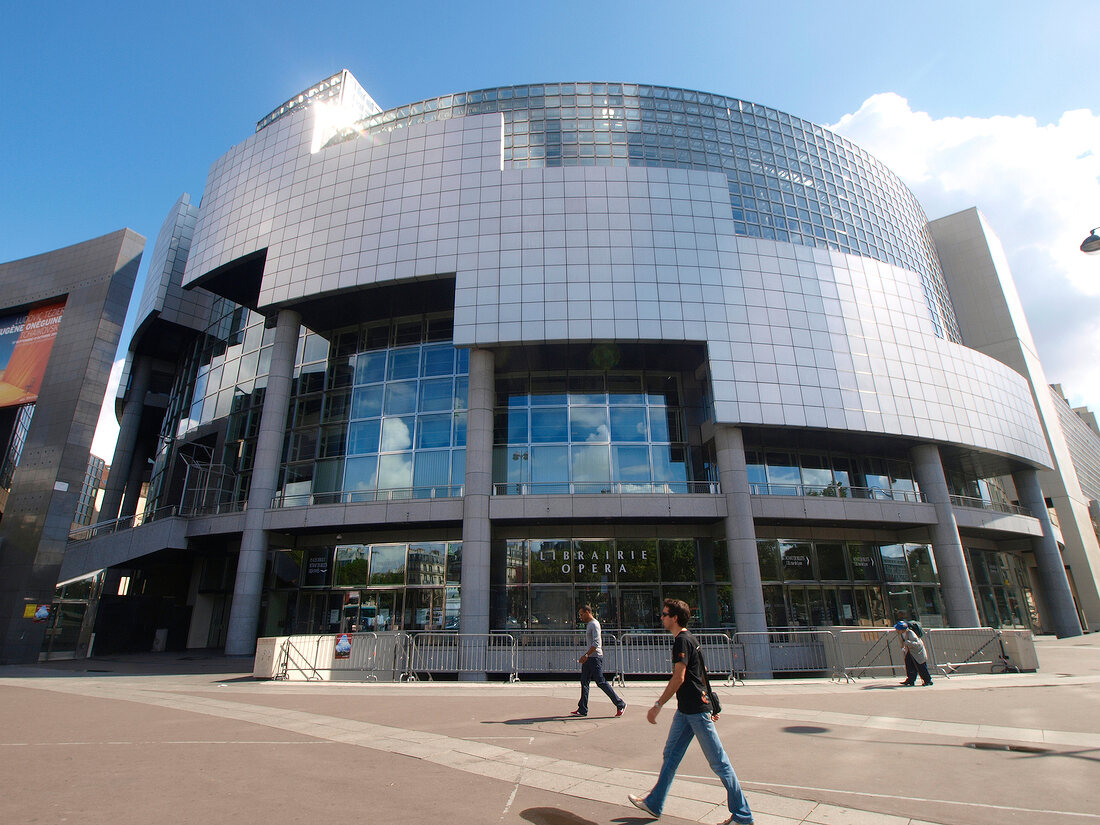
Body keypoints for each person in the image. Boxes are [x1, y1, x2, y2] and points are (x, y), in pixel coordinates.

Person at [628, 599, 753, 825]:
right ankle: (655, 803)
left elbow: (680, 677)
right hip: (686, 710)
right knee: (671, 755)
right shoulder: (689, 639)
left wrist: (657, 705)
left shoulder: (682, 641)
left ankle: (743, 815)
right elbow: (702, 673)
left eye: (665, 614)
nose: (662, 618)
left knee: (719, 763)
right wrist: (712, 704)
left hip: (695, 710)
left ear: (675, 618)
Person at [570, 604, 626, 718]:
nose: (580, 617)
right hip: (589, 658)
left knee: (600, 682)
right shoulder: (590, 624)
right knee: (584, 681)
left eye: (581, 614)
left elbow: (596, 643)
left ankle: (620, 703)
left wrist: (586, 655)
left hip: (594, 658)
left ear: (587, 612)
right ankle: (582, 708)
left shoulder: (594, 624)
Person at [895, 620, 933, 686]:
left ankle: (927, 680)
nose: (896, 630)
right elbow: (901, 641)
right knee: (909, 663)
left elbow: (917, 643)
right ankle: (910, 680)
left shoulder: (911, 633)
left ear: (902, 629)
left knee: (921, 666)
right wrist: (902, 647)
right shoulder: (900, 634)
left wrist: (908, 642)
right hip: (911, 651)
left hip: (918, 651)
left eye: (897, 629)